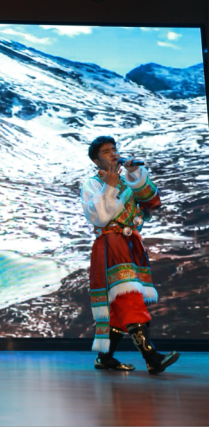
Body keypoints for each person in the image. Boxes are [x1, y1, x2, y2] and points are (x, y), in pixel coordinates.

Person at [81, 136, 179, 374]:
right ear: (96, 161)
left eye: (114, 149)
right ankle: (151, 357)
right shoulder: (92, 185)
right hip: (111, 244)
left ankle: (105, 358)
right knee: (129, 296)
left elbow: (152, 202)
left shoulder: (127, 181)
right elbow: (100, 218)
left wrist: (135, 174)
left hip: (131, 245)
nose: (113, 154)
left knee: (118, 305)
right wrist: (110, 186)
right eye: (106, 152)